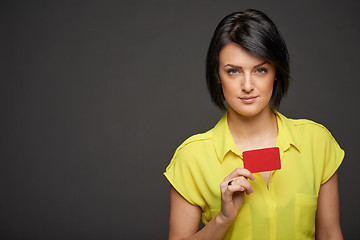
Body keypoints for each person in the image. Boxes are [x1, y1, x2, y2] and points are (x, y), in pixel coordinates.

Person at [164, 9, 344, 240]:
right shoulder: (191, 157)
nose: (247, 85)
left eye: (260, 70)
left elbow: (330, 233)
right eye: (233, 71)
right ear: (218, 75)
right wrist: (223, 219)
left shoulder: (317, 142)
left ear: (276, 72)